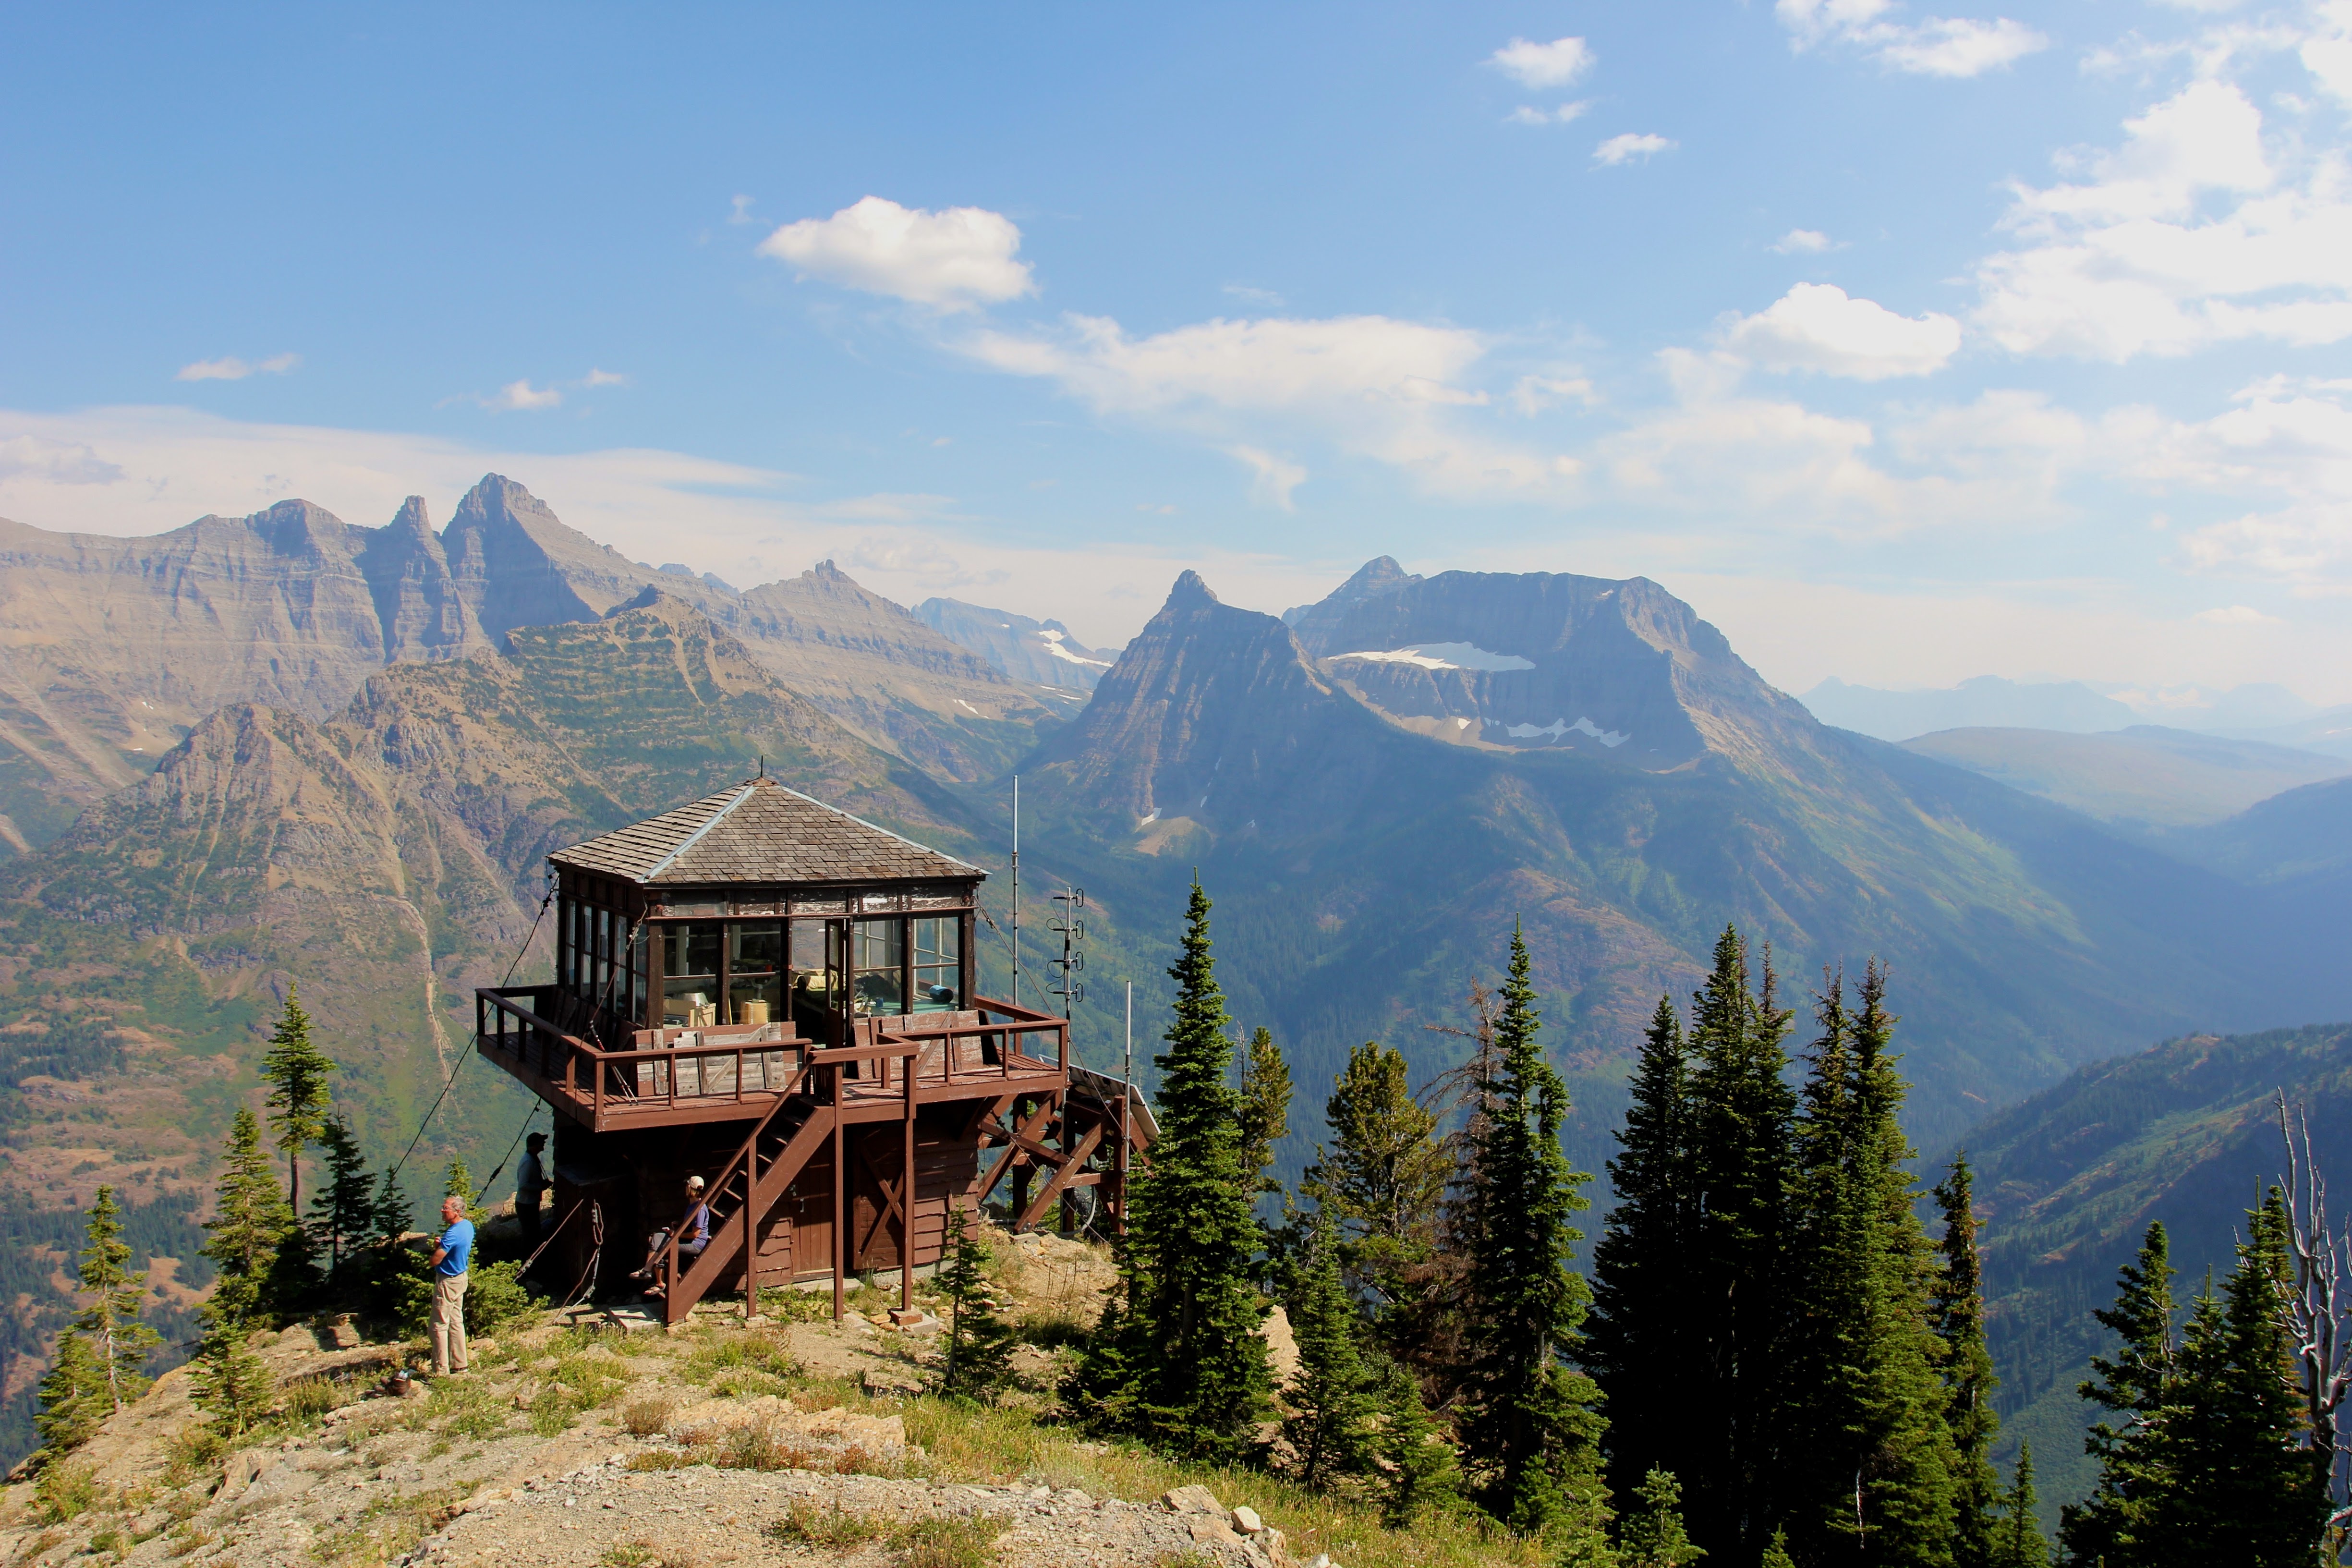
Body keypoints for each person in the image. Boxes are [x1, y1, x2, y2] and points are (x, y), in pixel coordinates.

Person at [633, 1175, 712, 1290]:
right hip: (688, 1239)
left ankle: (660, 1283)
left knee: (664, 1246)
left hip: (695, 1244)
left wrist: (675, 1235)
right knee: (657, 1237)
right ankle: (647, 1270)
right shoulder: (692, 1205)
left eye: (687, 1186)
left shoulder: (699, 1209)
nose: (685, 1188)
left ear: (690, 1189)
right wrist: (679, 1224)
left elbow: (695, 1235)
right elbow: (690, 1225)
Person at [428, 1194, 473, 1376]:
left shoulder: (453, 1232)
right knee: (456, 1321)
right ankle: (460, 1364)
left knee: (438, 1324)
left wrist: (433, 1256)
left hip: (448, 1281)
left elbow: (438, 1258)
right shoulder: (467, 1226)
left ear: (456, 1212)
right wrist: (443, 1243)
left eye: (446, 1208)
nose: (442, 1210)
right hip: (461, 1278)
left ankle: (441, 1369)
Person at [515, 1132, 549, 1246]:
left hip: (529, 1203)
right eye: (541, 1142)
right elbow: (523, 1185)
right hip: (526, 1205)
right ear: (535, 1145)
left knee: (533, 1232)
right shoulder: (528, 1162)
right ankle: (528, 1257)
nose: (544, 1143)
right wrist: (541, 1187)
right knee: (530, 1234)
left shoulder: (532, 1158)